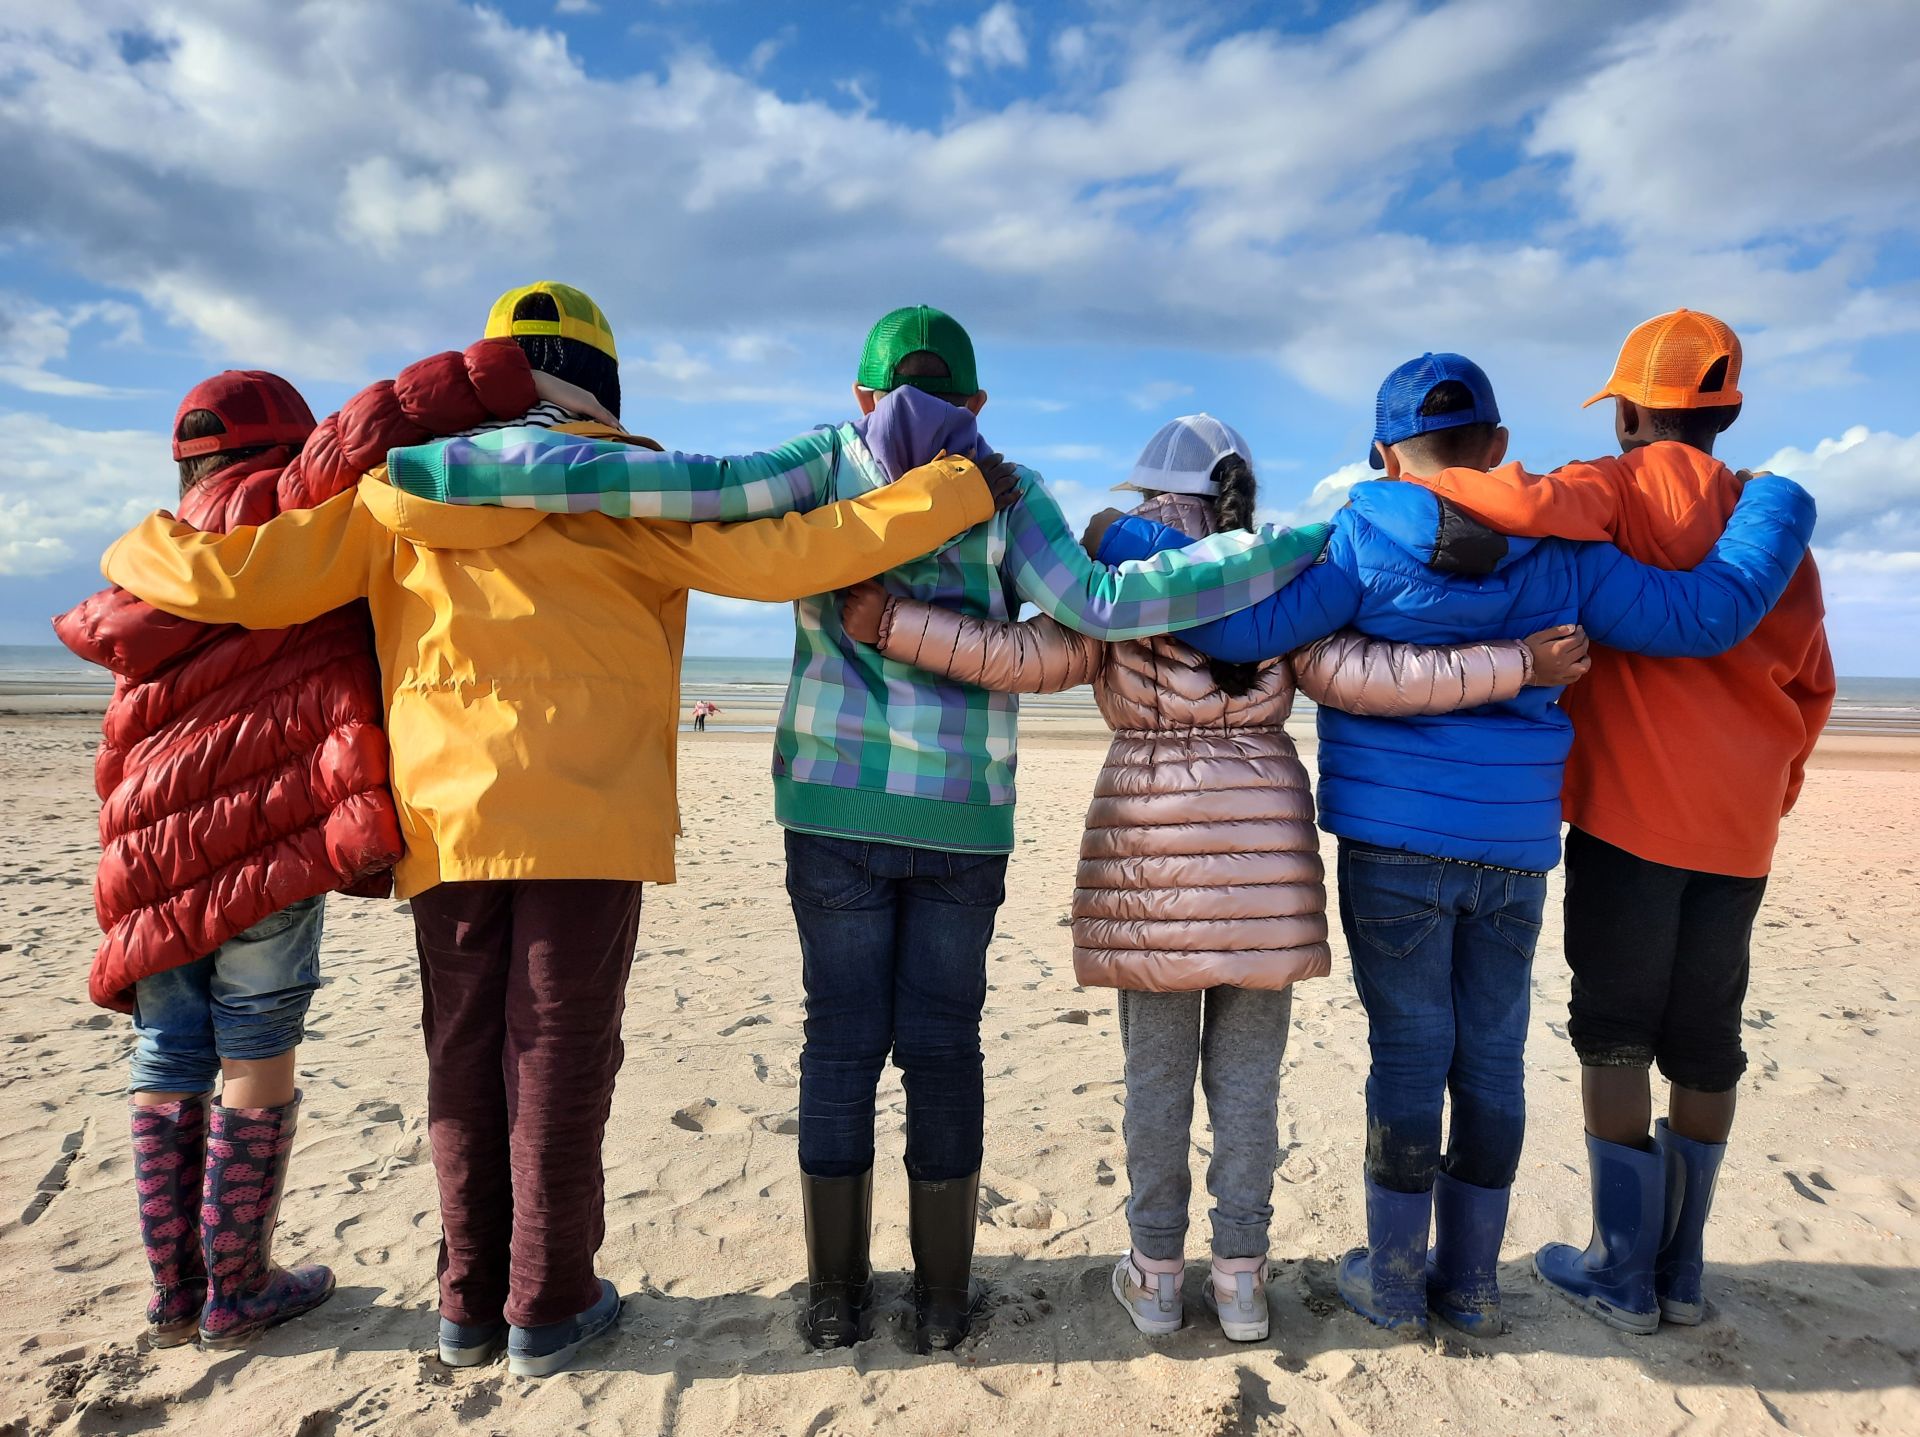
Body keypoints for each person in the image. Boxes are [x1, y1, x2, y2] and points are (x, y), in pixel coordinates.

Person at [100, 285, 1017, 1378]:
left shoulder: (400, 495)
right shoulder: (633, 490)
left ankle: (466, 1306)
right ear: (603, 383)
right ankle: (548, 1303)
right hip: (591, 814)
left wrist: (140, 547)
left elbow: (247, 578)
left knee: (464, 1059)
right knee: (559, 1058)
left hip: (448, 818)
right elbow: (795, 557)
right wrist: (950, 493)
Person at [380, 305, 1332, 1352]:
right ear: (973, 403)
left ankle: (834, 1298)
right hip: (963, 812)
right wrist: (1283, 547)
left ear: (862, 396)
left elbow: (683, 487)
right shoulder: (1005, 488)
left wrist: (459, 471)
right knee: (942, 1046)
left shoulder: (821, 462)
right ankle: (939, 1302)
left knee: (837, 1044)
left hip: (831, 801)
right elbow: (1104, 604)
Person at [1093, 353, 1817, 1337]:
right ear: (1500, 449)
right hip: (1513, 844)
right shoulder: (1566, 552)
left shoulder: (1357, 539)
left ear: (1386, 453)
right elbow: (1707, 616)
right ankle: (1471, 1285)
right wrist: (1779, 504)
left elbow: (1234, 630)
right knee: (1490, 1062)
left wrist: (1128, 532)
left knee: (1407, 1054)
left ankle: (1393, 1281)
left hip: (1393, 842)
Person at [839, 413, 1591, 1342]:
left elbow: (1028, 655)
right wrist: (1515, 664)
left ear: (1143, 490)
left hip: (1148, 864)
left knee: (1153, 1083)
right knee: (1249, 1088)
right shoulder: (1276, 571)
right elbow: (1371, 674)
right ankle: (1240, 1279)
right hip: (1264, 864)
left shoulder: (1116, 581)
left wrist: (897, 624)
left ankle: (1155, 1276)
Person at [1402, 311, 1835, 1332]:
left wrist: (1404, 478)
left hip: (1627, 819)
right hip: (1740, 829)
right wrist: (1772, 793)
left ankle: (1619, 1267)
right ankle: (1683, 1276)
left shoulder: (1609, 489)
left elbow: (1507, 499)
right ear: (1727, 409)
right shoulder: (1771, 536)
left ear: (1633, 410)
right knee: (1708, 1043)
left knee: (1612, 1036)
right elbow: (1812, 686)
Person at [51, 371, 404, 1348]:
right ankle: (238, 1287)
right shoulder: (296, 527)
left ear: (189, 463)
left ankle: (176, 1293)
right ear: (290, 454)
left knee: (167, 1049)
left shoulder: (151, 564)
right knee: (257, 1040)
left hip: (153, 843)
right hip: (269, 836)